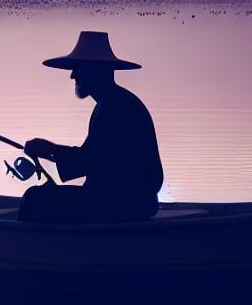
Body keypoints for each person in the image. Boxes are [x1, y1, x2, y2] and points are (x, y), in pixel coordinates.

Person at [20, 31, 163, 223]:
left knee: (35, 198)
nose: (72, 76)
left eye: (77, 68)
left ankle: (34, 248)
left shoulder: (114, 108)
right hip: (132, 201)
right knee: (45, 197)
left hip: (125, 204)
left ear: (94, 70)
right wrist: (49, 151)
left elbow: (89, 161)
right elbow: (96, 160)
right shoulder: (114, 102)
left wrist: (48, 149)